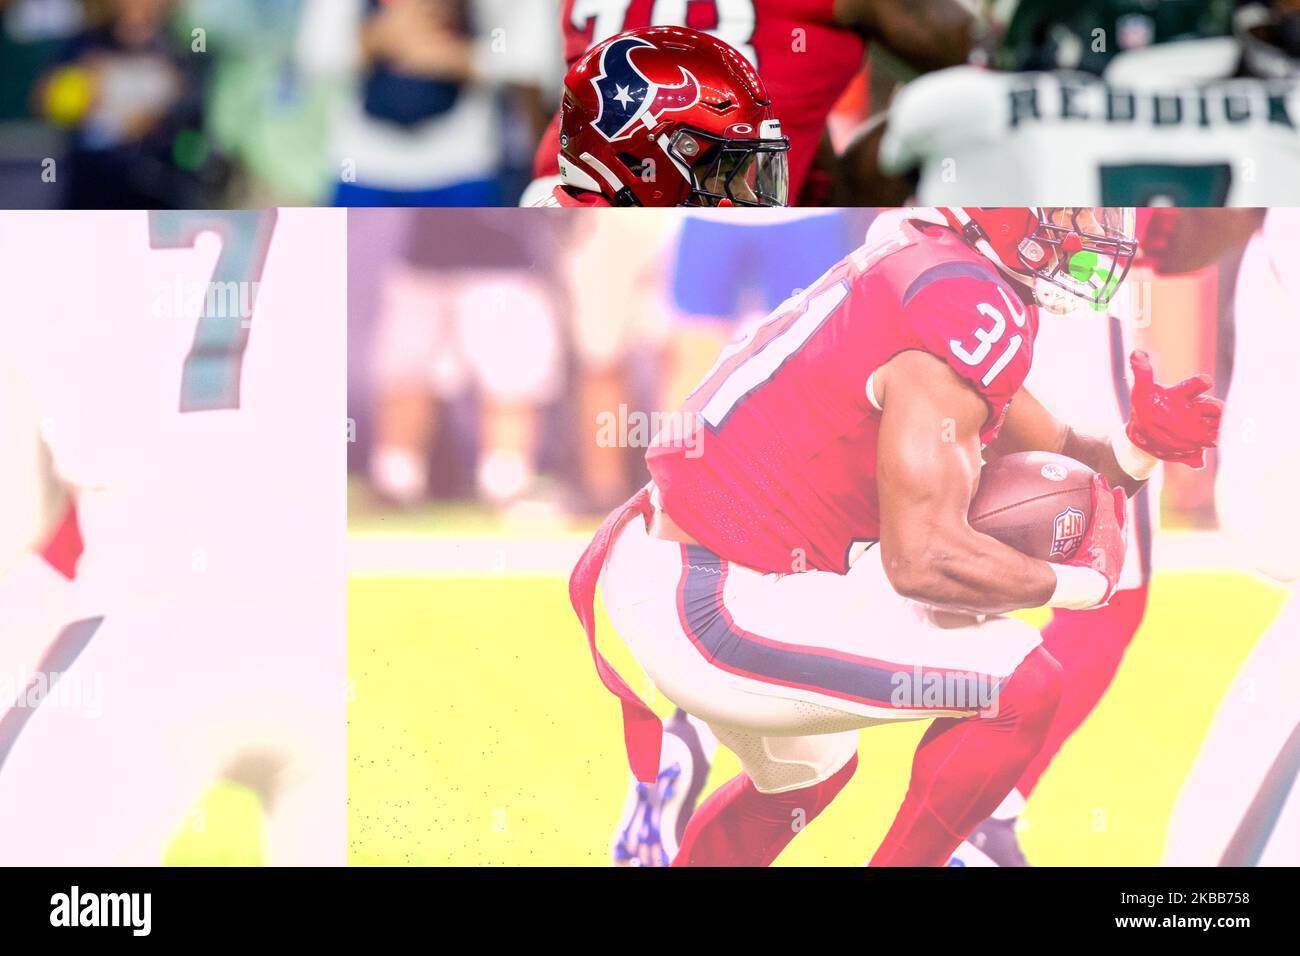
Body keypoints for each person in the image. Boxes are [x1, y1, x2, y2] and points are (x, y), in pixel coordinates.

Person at [572, 207, 1222, 866]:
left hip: (709, 566)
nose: (1095, 229)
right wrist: (1080, 584)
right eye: (1072, 212)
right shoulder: (957, 303)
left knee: (803, 779)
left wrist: (1140, 448)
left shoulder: (945, 270)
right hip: (710, 595)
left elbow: (1057, 450)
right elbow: (923, 560)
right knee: (1020, 684)